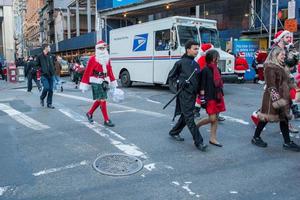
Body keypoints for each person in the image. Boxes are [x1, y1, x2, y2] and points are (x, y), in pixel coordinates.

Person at [251, 47, 300, 152]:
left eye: (284, 54)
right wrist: (278, 100)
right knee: (266, 118)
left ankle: (287, 142)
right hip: (272, 99)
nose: (284, 56)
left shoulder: (281, 66)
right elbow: (271, 86)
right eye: (281, 54)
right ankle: (256, 137)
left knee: (284, 119)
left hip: (283, 97)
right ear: (275, 55)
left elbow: (286, 80)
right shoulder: (270, 67)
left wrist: (293, 87)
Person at [168, 40, 207, 151]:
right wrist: (180, 83)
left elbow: (198, 82)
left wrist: (201, 96)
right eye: (194, 48)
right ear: (188, 49)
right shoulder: (180, 63)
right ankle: (198, 142)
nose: (197, 51)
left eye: (197, 49)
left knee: (186, 116)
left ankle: (174, 132)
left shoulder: (196, 64)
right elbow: (171, 78)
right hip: (184, 94)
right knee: (189, 117)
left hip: (192, 95)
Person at [79, 40, 118, 127]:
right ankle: (106, 120)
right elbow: (87, 71)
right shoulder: (93, 59)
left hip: (104, 81)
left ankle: (89, 113)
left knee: (100, 99)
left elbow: (110, 71)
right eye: (100, 48)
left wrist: (113, 82)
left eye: (103, 48)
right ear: (97, 49)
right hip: (96, 81)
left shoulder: (107, 58)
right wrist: (84, 84)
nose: (102, 50)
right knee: (103, 99)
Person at [196, 50, 226, 147]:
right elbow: (202, 86)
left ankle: (213, 138)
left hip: (217, 96)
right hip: (209, 98)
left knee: (216, 118)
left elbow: (219, 84)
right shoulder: (205, 70)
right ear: (213, 58)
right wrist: (202, 99)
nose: (219, 58)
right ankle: (196, 126)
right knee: (212, 118)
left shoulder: (218, 69)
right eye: (217, 56)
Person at [36, 43, 55, 109]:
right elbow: (36, 65)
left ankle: (49, 104)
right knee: (46, 88)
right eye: (49, 47)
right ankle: (42, 98)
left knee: (51, 90)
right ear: (45, 48)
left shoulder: (51, 55)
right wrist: (42, 70)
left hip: (51, 75)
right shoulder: (39, 56)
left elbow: (53, 63)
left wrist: (53, 70)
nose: (50, 48)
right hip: (44, 75)